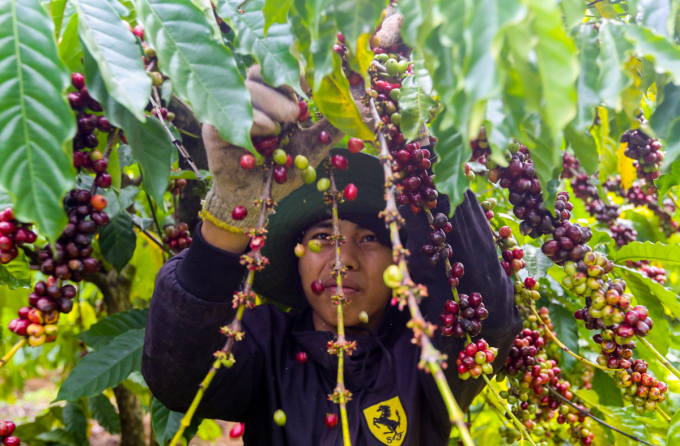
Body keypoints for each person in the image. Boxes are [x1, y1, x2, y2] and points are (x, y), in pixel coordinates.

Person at [142, 12, 522, 446]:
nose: (343, 260)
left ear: (399, 259)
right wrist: (231, 216)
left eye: (369, 239)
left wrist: (412, 136)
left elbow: (487, 320)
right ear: (296, 254)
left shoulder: (424, 351)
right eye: (323, 238)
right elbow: (178, 376)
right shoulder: (266, 346)